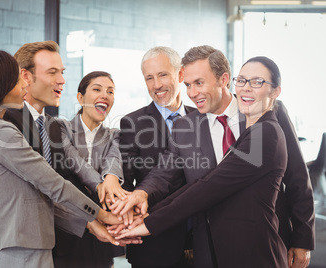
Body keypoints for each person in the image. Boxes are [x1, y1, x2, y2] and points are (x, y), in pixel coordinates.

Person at [113, 46, 315, 268]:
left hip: (265, 240)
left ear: (223, 80)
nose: (191, 93)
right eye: (188, 85)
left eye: (199, 83)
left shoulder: (267, 112)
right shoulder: (184, 126)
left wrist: (302, 238)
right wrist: (142, 193)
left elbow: (297, 176)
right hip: (209, 247)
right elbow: (165, 172)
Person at [0, 41, 131, 267]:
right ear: (25, 76)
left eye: (62, 73)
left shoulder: (52, 126)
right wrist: (101, 216)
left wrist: (90, 221)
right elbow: (52, 185)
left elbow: (51, 188)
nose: (62, 80)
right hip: (8, 245)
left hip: (45, 243)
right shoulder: (3, 123)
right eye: (52, 72)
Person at [119, 46, 196, 268]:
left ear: (180, 75)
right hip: (155, 245)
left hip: (202, 240)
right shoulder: (132, 123)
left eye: (163, 75)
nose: (156, 85)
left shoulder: (202, 118)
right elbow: (125, 181)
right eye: (149, 78)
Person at [53, 71, 129, 267]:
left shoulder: (115, 135)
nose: (105, 95)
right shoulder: (60, 127)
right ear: (80, 97)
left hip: (101, 236)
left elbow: (114, 158)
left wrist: (111, 178)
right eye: (97, 89)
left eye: (110, 92)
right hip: (67, 226)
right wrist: (100, 185)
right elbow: (74, 161)